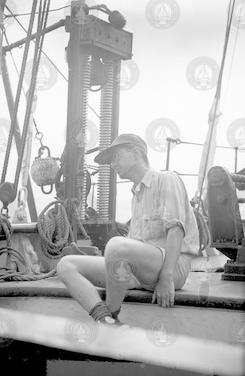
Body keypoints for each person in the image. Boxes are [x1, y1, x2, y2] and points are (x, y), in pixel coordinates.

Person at [57, 133, 200, 324]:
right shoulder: (137, 194)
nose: (113, 165)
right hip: (140, 270)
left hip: (173, 267)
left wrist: (167, 278)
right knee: (66, 265)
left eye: (116, 157)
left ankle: (112, 312)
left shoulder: (166, 179)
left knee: (116, 246)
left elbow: (176, 230)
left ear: (135, 153)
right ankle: (105, 320)